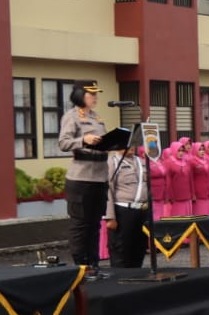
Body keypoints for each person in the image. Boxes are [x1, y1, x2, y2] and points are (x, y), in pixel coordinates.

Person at [58, 81, 110, 275]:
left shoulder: (96, 118)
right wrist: (83, 140)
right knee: (80, 224)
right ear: (80, 95)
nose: (95, 97)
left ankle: (94, 264)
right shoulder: (71, 117)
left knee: (95, 224)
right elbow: (63, 143)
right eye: (91, 94)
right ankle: (81, 266)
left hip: (99, 176)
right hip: (81, 178)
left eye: (96, 94)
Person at [104, 146, 149, 268]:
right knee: (121, 248)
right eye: (127, 144)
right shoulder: (112, 162)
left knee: (139, 247)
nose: (131, 147)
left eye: (133, 144)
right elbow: (107, 190)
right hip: (123, 211)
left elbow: (147, 186)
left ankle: (136, 275)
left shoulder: (141, 161)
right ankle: (120, 279)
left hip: (142, 210)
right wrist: (109, 217)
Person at [190, 141, 209, 216]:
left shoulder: (206, 161)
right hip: (198, 193)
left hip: (207, 192)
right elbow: (191, 179)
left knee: (208, 214)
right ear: (195, 150)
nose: (202, 151)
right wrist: (193, 194)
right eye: (200, 149)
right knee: (200, 214)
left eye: (203, 149)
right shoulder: (192, 161)